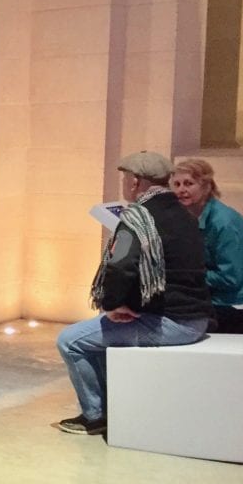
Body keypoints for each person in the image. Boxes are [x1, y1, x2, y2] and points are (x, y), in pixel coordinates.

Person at [55, 152, 212, 435]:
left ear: (135, 182)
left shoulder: (137, 218)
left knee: (70, 340)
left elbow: (121, 266)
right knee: (97, 334)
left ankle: (95, 415)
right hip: (197, 319)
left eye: (125, 178)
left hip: (170, 323)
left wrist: (113, 304)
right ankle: (110, 406)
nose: (125, 183)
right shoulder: (186, 216)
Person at [172, 158, 243, 422]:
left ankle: (208, 405)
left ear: (206, 186)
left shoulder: (225, 222)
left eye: (189, 183)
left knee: (180, 318)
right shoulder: (190, 215)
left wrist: (184, 275)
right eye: (177, 184)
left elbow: (230, 278)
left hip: (240, 301)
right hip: (219, 294)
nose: (182, 190)